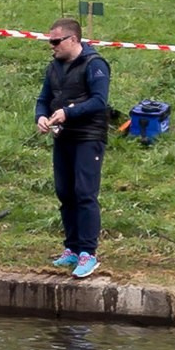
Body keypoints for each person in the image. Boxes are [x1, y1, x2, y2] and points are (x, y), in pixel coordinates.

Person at [35, 15, 112, 280]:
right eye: (50, 41)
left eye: (56, 41)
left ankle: (88, 253)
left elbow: (99, 101)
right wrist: (41, 117)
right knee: (65, 192)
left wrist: (69, 113)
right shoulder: (53, 67)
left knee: (84, 193)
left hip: (88, 138)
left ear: (73, 39)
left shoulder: (95, 65)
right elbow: (43, 99)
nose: (52, 46)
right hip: (63, 138)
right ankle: (72, 247)